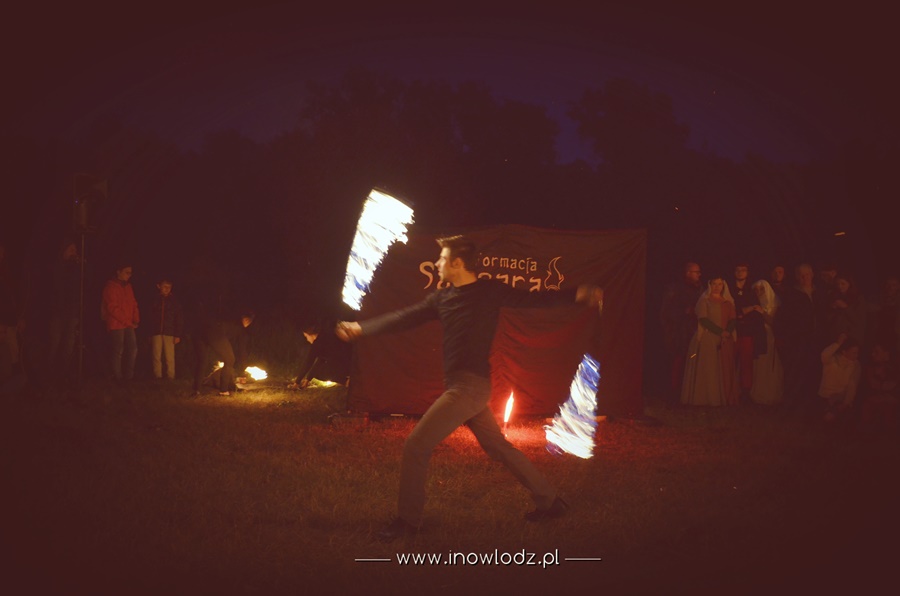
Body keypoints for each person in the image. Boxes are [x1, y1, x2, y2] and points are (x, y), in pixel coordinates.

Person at [335, 235, 604, 542]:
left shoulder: (488, 291)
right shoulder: (442, 298)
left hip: (469, 388)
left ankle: (408, 521)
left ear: (458, 263)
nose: (437, 264)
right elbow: (404, 318)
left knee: (416, 445)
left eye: (442, 259)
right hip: (464, 387)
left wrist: (576, 294)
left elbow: (534, 299)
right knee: (498, 447)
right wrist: (362, 328)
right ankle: (550, 502)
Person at [776, 263, 828, 414]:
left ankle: (811, 405)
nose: (805, 278)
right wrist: (783, 336)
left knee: (814, 372)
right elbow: (783, 317)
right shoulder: (792, 294)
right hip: (798, 341)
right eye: (802, 275)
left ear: (812, 275)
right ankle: (792, 404)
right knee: (796, 372)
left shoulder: (819, 293)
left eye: (807, 274)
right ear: (797, 277)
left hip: (816, 340)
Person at [681, 276, 739, 407]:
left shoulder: (728, 303)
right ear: (710, 285)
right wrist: (720, 332)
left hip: (724, 339)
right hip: (708, 338)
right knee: (709, 369)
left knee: (724, 369)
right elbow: (703, 319)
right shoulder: (705, 301)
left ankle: (724, 397)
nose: (717, 287)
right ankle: (706, 397)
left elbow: (732, 319)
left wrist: (727, 332)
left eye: (720, 284)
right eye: (714, 284)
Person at [659, 261, 704, 405]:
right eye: (696, 272)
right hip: (678, 333)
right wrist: (684, 312)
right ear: (688, 273)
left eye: (699, 272)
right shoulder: (675, 289)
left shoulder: (700, 290)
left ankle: (689, 393)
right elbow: (666, 311)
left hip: (693, 331)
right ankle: (674, 394)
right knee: (677, 362)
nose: (699, 275)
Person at [192, 311, 254, 396]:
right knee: (230, 360)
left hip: (199, 330)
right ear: (246, 319)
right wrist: (242, 371)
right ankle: (223, 391)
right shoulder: (239, 327)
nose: (247, 322)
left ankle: (196, 390)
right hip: (214, 332)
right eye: (247, 320)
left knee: (202, 361)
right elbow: (242, 350)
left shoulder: (230, 318)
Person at [47, 240, 82, 387]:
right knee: (54, 343)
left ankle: (63, 374)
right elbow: (55, 287)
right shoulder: (56, 267)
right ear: (64, 251)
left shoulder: (76, 269)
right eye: (71, 249)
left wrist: (80, 265)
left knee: (69, 345)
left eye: (75, 250)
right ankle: (48, 374)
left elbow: (85, 282)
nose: (74, 253)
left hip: (72, 313)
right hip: (58, 313)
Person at [732, 263, 766, 402]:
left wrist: (746, 311)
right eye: (738, 270)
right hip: (732, 331)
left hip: (747, 332)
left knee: (746, 363)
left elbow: (756, 311)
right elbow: (732, 311)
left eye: (743, 270)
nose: (740, 272)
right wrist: (744, 310)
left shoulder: (751, 292)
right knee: (730, 362)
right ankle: (729, 390)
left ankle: (745, 392)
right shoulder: (729, 290)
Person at [101, 262, 140, 382]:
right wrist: (127, 321)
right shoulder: (111, 287)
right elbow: (112, 308)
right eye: (127, 272)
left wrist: (136, 318)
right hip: (116, 324)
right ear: (118, 272)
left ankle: (129, 376)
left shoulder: (128, 286)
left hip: (128, 323)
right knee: (118, 350)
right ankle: (117, 377)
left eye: (130, 273)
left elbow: (133, 302)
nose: (129, 275)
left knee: (133, 348)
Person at [750, 279, 784, 405]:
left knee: (767, 365)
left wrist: (762, 313)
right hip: (756, 337)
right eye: (756, 290)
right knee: (758, 365)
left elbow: (775, 323)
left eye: (761, 289)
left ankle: (769, 394)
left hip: (769, 338)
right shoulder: (753, 303)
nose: (759, 292)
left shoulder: (774, 305)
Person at [288, 322, 350, 389]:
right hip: (350, 362)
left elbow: (307, 363)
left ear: (310, 335)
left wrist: (297, 382)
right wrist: (307, 380)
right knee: (320, 368)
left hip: (343, 364)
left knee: (319, 373)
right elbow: (321, 360)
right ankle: (348, 380)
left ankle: (347, 382)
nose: (307, 340)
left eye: (306, 337)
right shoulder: (325, 337)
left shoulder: (317, 344)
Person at [817, 333, 861, 424]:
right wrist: (838, 344)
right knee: (828, 418)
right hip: (825, 397)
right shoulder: (832, 360)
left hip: (840, 399)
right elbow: (824, 355)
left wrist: (845, 403)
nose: (856, 355)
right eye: (854, 353)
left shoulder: (855, 365)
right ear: (844, 352)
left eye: (857, 353)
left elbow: (852, 386)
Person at [149, 279, 184, 380]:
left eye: (169, 287)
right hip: (156, 332)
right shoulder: (154, 300)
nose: (167, 289)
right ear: (159, 286)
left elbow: (179, 318)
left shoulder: (174, 301)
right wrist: (150, 333)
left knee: (170, 357)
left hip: (169, 332)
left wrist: (177, 335)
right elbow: (150, 317)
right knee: (156, 356)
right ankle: (157, 376)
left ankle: (170, 376)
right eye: (165, 286)